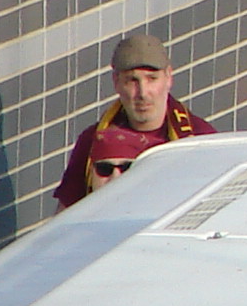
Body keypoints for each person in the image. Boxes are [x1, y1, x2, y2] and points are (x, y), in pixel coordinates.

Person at [55, 33, 215, 206]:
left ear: (169, 77)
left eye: (152, 79)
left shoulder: (201, 141)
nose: (143, 93)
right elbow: (65, 215)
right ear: (116, 82)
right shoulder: (93, 141)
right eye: (132, 81)